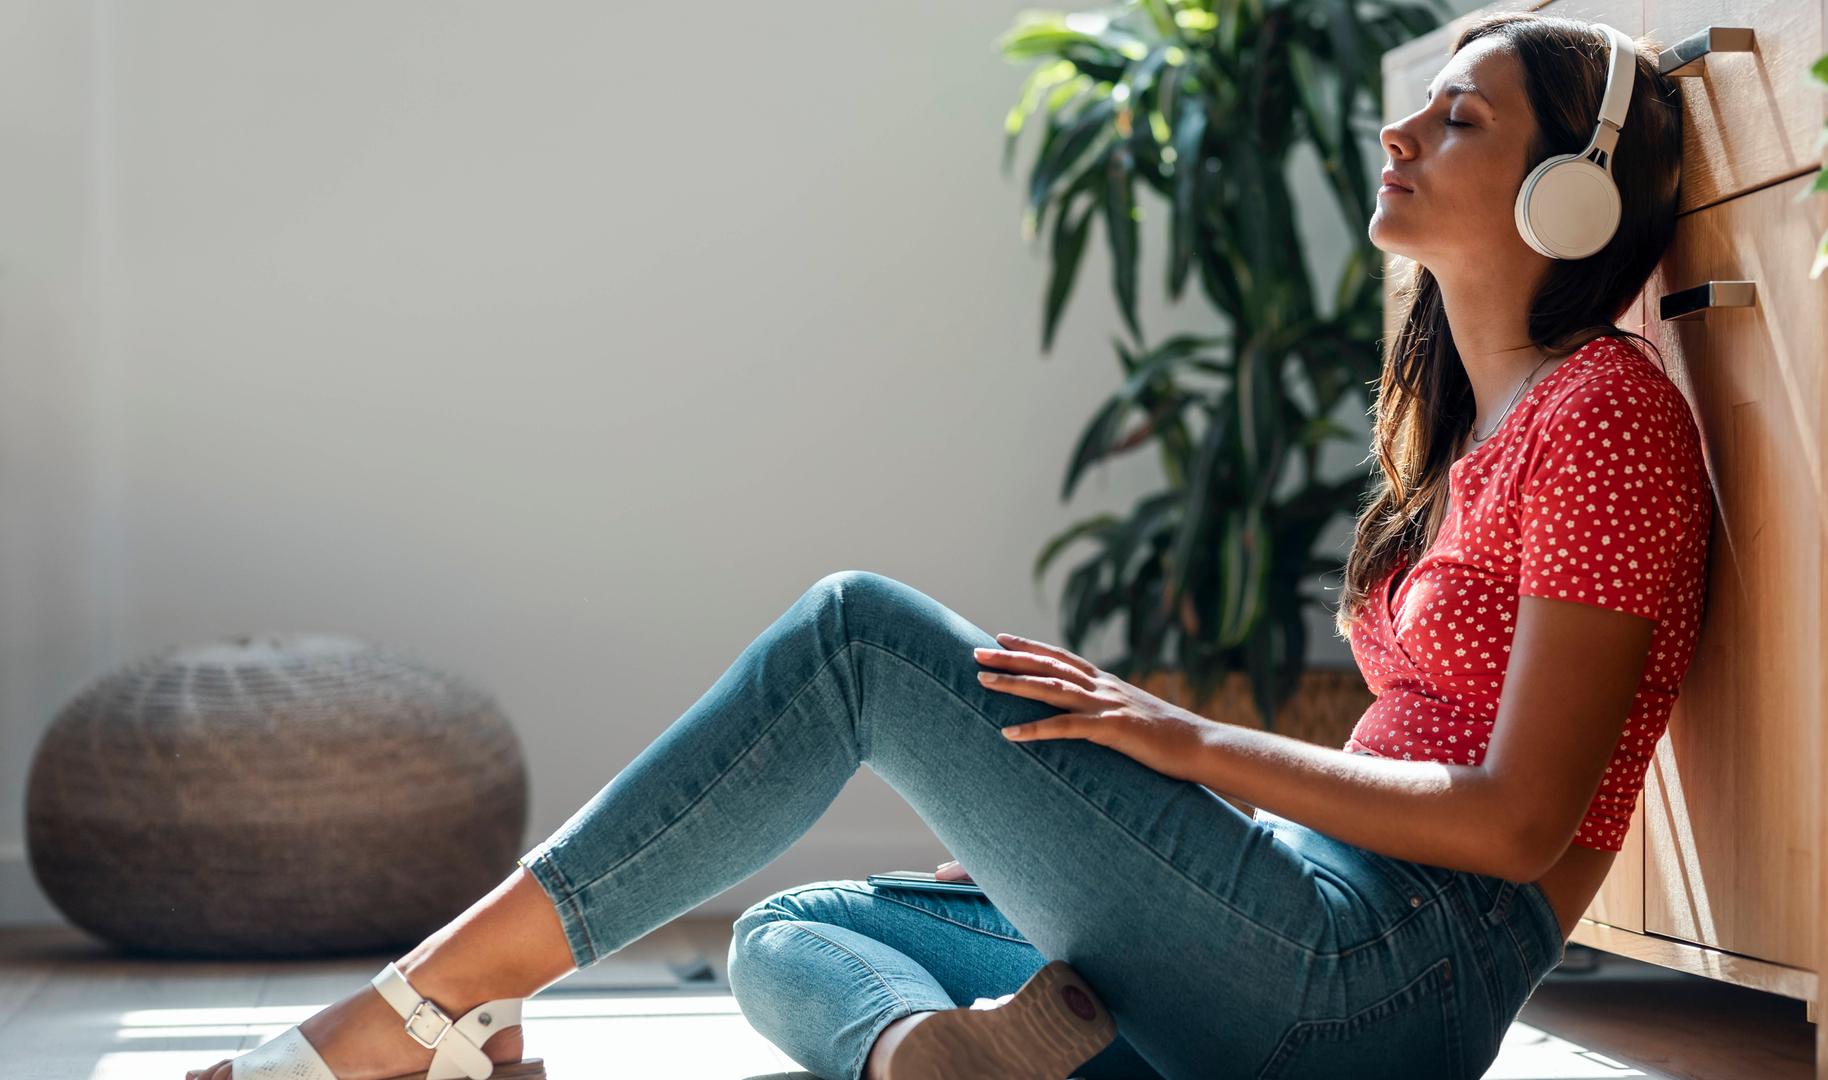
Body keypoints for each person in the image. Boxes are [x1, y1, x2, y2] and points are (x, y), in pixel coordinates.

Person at [188, 10, 1705, 1080]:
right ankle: (936, 1065)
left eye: (1461, 117)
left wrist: (1182, 746)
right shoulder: (1478, 431)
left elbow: (1515, 825)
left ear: (1568, 196)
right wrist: (1067, 847)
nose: (1396, 126)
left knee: (857, 635)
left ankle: (430, 1001)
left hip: (1381, 979)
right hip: (1298, 949)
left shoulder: (1609, 418)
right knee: (793, 928)